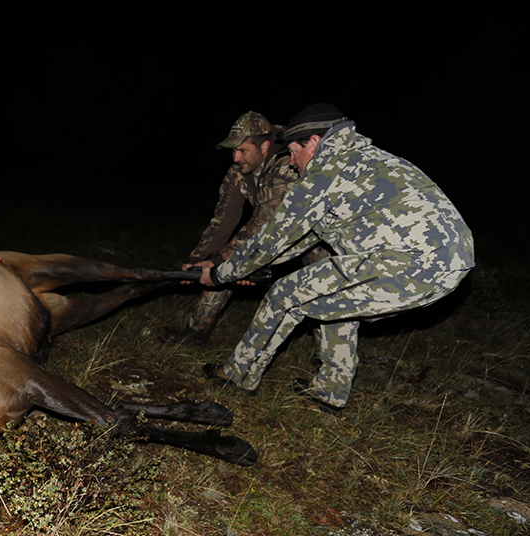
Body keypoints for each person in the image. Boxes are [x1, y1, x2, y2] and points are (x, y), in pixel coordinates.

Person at [198, 103, 474, 414]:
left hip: (411, 259)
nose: (291, 162)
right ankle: (328, 392)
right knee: (335, 302)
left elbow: (271, 240)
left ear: (313, 143)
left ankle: (237, 376)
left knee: (287, 293)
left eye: (292, 151)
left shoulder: (324, 172)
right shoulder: (365, 159)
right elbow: (299, 241)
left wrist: (221, 274)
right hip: (453, 260)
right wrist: (252, 267)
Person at [174, 111, 327, 346]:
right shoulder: (238, 172)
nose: (235, 157)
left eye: (242, 150)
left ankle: (323, 360)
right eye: (233, 151)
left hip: (311, 237)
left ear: (264, 146)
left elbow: (265, 223)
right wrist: (199, 260)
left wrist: (223, 261)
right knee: (220, 261)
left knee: (320, 281)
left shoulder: (287, 166)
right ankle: (195, 333)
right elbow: (222, 221)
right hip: (269, 236)